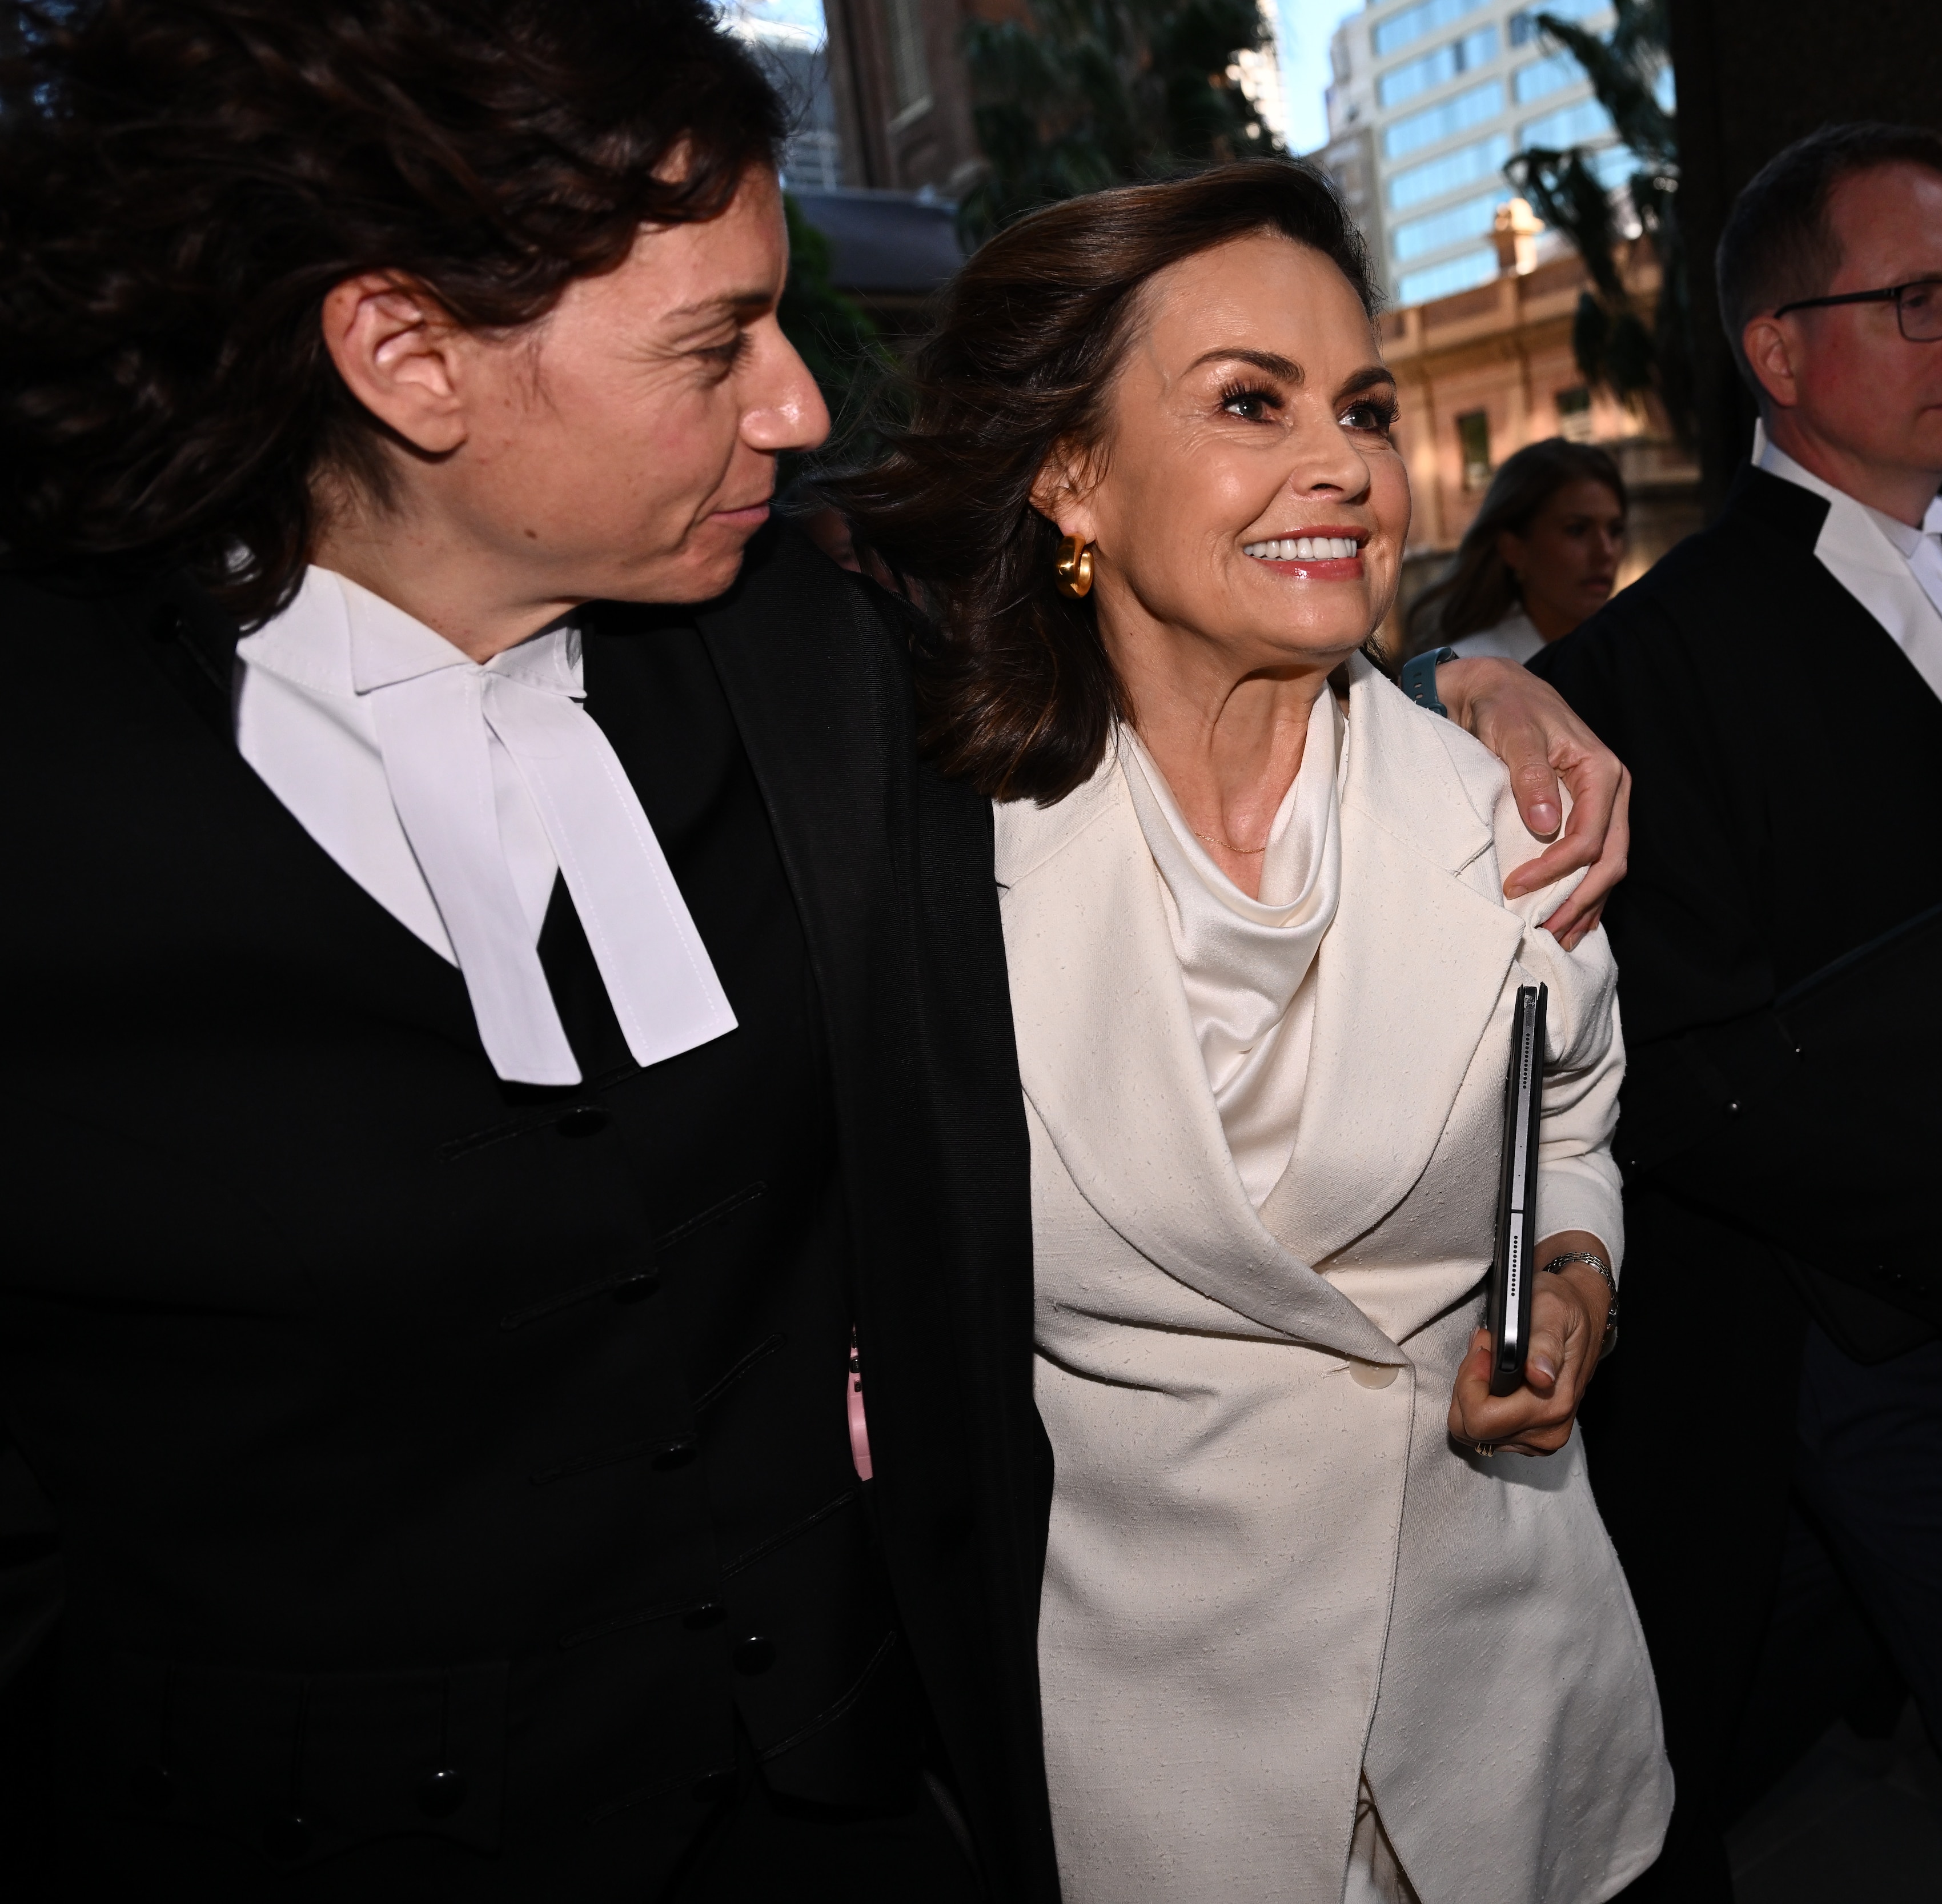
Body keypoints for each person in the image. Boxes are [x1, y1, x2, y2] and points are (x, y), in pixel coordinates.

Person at [0, 5, 1632, 1895]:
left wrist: (1486, 695)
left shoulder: (806, 663)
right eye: (717, 348)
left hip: (854, 1808)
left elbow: (1170, 670)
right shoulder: (48, 783)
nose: (794, 403)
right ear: (405, 354)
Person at [837, 163, 1670, 1904]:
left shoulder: (1510, 809)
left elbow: (1572, 1106)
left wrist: (1577, 1279)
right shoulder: (926, 861)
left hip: (1509, 1711)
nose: (1345, 466)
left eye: (1362, 408)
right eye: (1247, 402)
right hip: (1159, 1757)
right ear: (1069, 472)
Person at [1533, 123, 1942, 1904]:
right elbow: (1677, 1065)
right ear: (1776, 350)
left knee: (1751, 1700)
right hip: (1818, 1324)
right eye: (1920, 301)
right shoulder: (1642, 666)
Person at [1408, 438, 1627, 664]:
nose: (1606, 552)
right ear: (1513, 549)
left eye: (1616, 530)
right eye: (1577, 530)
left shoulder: (1634, 657)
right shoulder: (1466, 674)